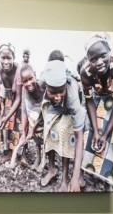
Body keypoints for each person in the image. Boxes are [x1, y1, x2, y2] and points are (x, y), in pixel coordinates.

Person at [37, 57, 89, 192]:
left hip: (69, 107)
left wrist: (75, 177)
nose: (57, 96)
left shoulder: (72, 95)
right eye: (53, 92)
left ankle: (66, 178)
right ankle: (52, 169)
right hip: (54, 107)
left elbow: (79, 138)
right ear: (46, 86)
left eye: (61, 91)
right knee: (48, 132)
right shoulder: (42, 81)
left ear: (66, 85)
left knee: (65, 134)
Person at [77, 36, 113, 181]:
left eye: (103, 56)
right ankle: (87, 169)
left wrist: (105, 134)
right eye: (94, 59)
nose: (99, 62)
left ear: (109, 51)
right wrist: (96, 130)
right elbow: (89, 102)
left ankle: (109, 173)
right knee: (90, 129)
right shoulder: (85, 73)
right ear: (88, 59)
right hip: (98, 98)